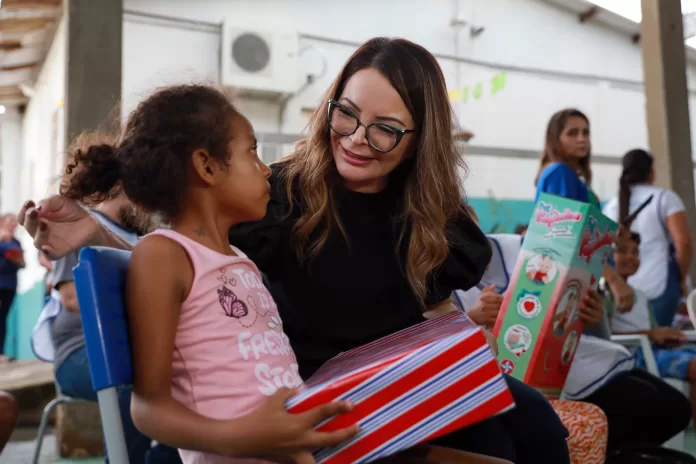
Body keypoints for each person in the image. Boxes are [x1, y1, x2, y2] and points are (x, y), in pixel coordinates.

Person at [18, 38, 570, 463]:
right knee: (498, 442)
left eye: (384, 130)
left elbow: (434, 314)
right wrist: (95, 232)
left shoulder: (433, 220)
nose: (355, 138)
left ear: (418, 141)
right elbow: (189, 256)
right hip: (320, 398)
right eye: (346, 113)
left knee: (535, 422)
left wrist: (463, 337)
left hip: (400, 383)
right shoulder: (271, 196)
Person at [455, 222, 690, 458]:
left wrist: (593, 315)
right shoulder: (443, 280)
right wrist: (472, 318)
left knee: (676, 408)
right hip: (533, 379)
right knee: (655, 408)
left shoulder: (521, 249)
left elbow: (587, 320)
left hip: (580, 356)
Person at [534, 108, 635, 314]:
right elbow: (565, 235)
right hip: (565, 284)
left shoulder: (573, 177)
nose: (582, 139)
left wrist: (612, 238)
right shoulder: (559, 173)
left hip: (579, 282)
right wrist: (614, 279)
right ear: (556, 139)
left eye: (586, 132)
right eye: (572, 133)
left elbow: (582, 231)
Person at [608, 231, 696, 424]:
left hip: (652, 350)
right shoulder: (605, 291)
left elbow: (653, 331)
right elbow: (604, 338)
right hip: (631, 356)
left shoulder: (642, 295)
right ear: (607, 255)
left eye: (636, 252)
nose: (631, 257)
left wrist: (666, 337)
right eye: (622, 251)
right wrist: (651, 334)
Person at [603, 148, 693, 328]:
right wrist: (680, 278)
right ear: (651, 171)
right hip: (659, 286)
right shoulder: (664, 198)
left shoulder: (611, 205)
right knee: (658, 341)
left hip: (624, 288)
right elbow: (683, 242)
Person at [0, 214, 24, 363]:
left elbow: (23, 263)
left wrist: (15, 257)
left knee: (3, 318)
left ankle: (0, 352)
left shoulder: (16, 242)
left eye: (15, 223)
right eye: (10, 222)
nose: (13, 225)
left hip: (9, 285)